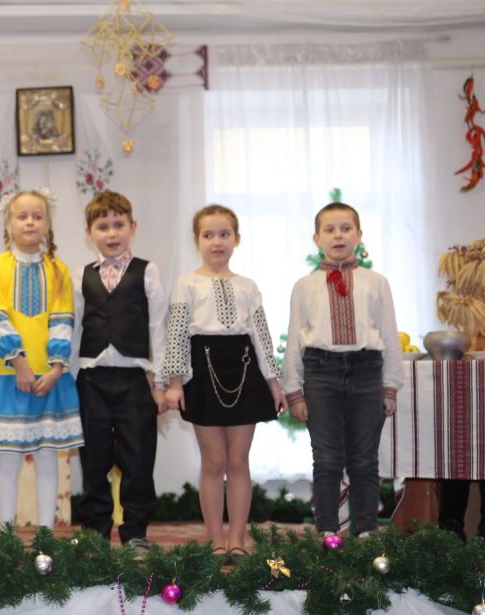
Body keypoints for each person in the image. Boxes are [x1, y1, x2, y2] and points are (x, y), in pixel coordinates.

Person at [162, 204, 286, 565]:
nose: (216, 242)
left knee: (238, 461)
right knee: (214, 461)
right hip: (203, 372)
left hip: (244, 372)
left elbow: (262, 336)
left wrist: (274, 383)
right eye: (208, 235)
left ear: (237, 239)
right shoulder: (186, 284)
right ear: (196, 240)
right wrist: (174, 383)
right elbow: (176, 336)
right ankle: (216, 539)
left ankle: (237, 539)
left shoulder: (248, 287)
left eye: (224, 234)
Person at [282, 202, 401, 539]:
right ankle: (327, 532)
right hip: (321, 372)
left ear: (359, 235)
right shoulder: (305, 286)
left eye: (346, 229)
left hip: (367, 372)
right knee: (327, 458)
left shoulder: (376, 283)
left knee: (364, 460)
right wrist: (294, 391)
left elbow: (390, 334)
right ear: (316, 238)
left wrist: (389, 386)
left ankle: (366, 532)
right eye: (330, 230)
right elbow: (295, 339)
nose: (338, 235)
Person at [0, 189, 84, 530]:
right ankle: (6, 538)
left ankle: (45, 537)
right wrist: (19, 363)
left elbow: (63, 320)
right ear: (9, 225)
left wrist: (56, 369)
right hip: (9, 376)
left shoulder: (58, 270)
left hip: (49, 379)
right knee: (8, 459)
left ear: (48, 224)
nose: (29, 222)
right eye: (22, 216)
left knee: (47, 456)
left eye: (37, 216)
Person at [72, 190, 167, 559]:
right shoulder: (83, 275)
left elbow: (158, 327)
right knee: (93, 459)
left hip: (133, 379)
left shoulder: (147, 270)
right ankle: (95, 534)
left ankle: (135, 533)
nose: (111, 233)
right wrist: (70, 379)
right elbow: (76, 329)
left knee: (138, 457)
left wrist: (160, 381)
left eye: (118, 225)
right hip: (91, 378)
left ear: (132, 227)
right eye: (102, 226)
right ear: (89, 233)